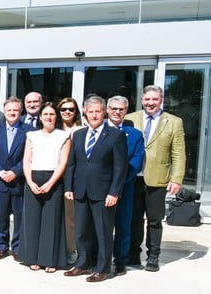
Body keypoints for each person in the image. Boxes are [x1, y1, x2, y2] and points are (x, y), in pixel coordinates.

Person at [64, 95, 128, 283]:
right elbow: (72, 163)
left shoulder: (115, 135)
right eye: (90, 111)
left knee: (103, 232)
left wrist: (114, 192)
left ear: (104, 112)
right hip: (80, 190)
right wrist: (69, 186)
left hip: (103, 193)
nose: (94, 115)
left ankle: (102, 268)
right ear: (85, 113)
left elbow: (120, 167)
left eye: (98, 111)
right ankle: (83, 263)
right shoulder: (78, 134)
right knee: (81, 231)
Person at [125, 85, 186, 273]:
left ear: (161, 100)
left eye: (155, 99)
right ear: (142, 100)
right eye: (147, 99)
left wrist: (176, 179)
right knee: (133, 219)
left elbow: (178, 153)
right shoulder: (130, 119)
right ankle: (133, 254)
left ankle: (153, 256)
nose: (150, 103)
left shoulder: (174, 122)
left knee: (154, 220)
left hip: (158, 178)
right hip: (133, 177)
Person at [21, 102, 71, 273]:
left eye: (51, 114)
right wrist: (30, 182)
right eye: (45, 114)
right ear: (40, 117)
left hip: (53, 180)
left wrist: (51, 183)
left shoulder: (64, 136)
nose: (48, 117)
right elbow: (26, 161)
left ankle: (50, 260)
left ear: (56, 117)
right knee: (32, 220)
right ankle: (32, 258)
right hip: (33, 179)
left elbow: (63, 162)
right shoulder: (31, 135)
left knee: (52, 221)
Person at [0, 97, 33, 262]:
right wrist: (0, 172)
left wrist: (15, 171)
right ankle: (2, 246)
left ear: (21, 112)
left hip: (18, 181)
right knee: (1, 216)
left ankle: (17, 247)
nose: (12, 113)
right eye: (9, 110)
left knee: (19, 217)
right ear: (4, 112)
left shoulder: (29, 131)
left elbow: (30, 155)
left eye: (15, 110)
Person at [107, 95, 145, 277]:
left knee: (123, 225)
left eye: (121, 109)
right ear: (107, 110)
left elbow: (136, 163)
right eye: (113, 108)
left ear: (126, 111)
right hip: (100, 188)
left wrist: (118, 183)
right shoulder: (98, 130)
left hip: (125, 188)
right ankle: (98, 258)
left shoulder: (135, 135)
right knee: (100, 226)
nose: (117, 112)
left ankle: (121, 260)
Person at [57, 97, 83, 264]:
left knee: (70, 217)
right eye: (64, 109)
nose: (67, 112)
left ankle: (71, 249)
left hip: (73, 177)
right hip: (53, 176)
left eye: (71, 109)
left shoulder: (81, 130)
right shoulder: (54, 128)